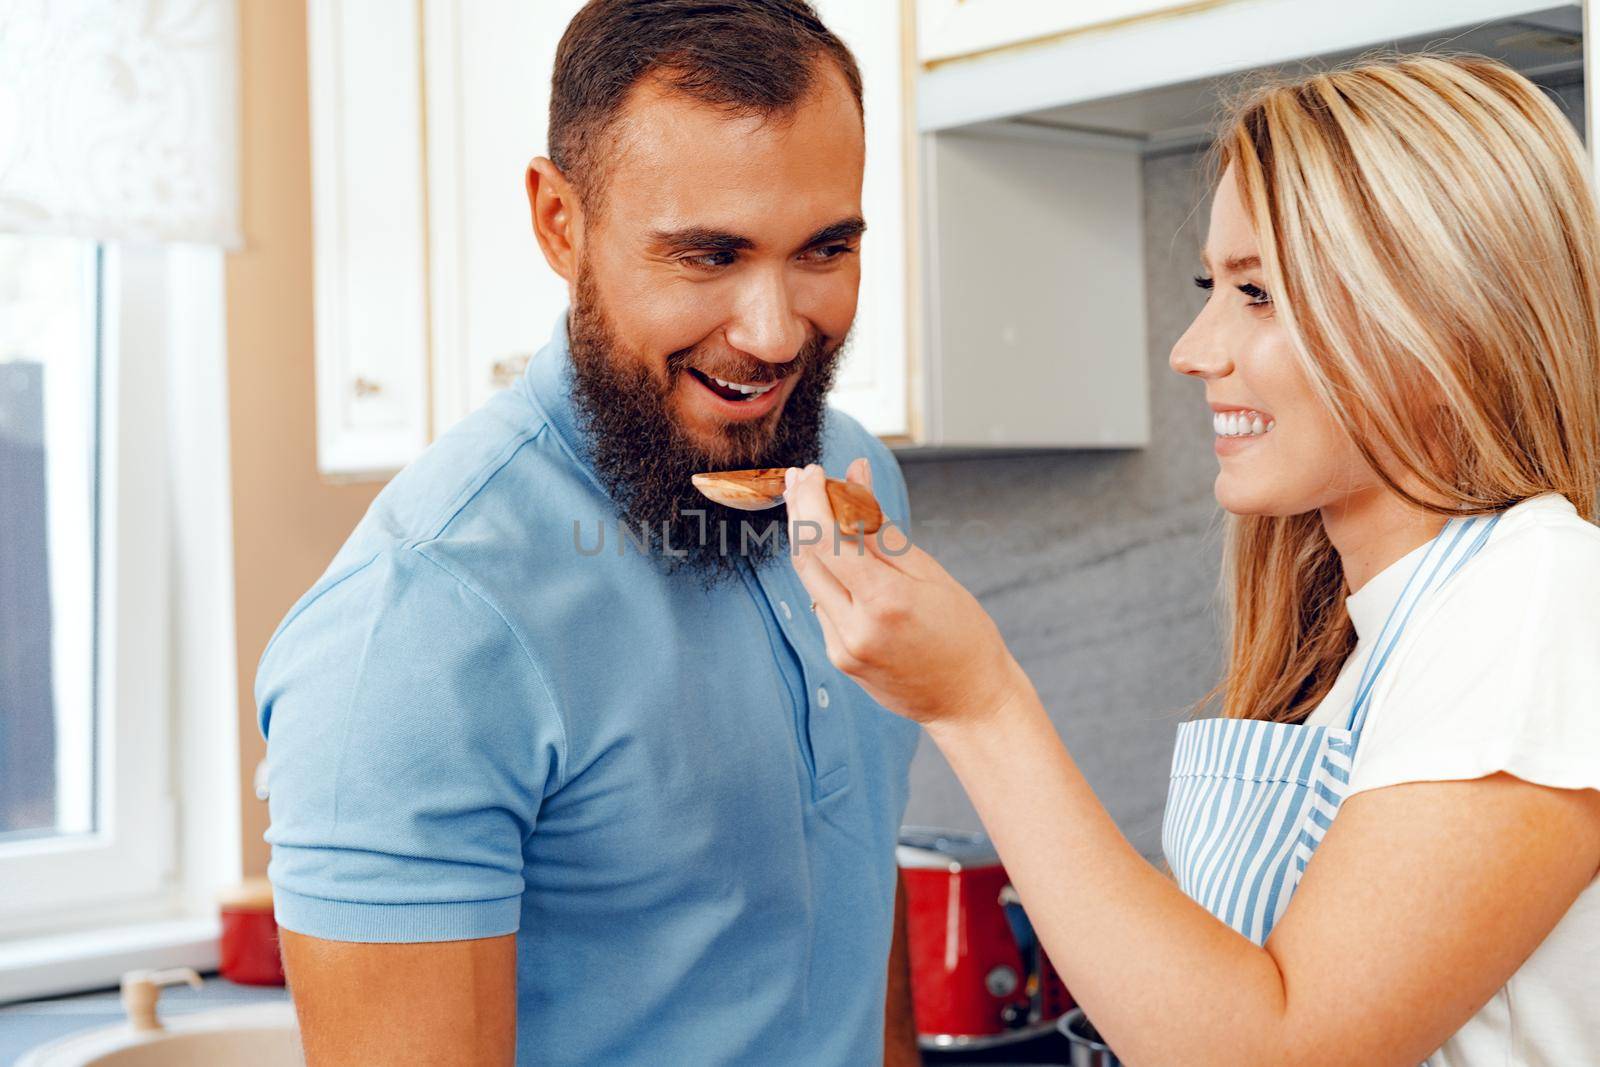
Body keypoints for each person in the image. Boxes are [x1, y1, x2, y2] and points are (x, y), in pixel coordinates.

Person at [784, 54, 1600, 1066]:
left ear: (1442, 322)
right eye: (1212, 285)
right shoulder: (1376, 639)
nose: (1191, 347)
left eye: (1256, 293)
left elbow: (1279, 1047)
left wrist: (977, 702)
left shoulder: (1536, 598)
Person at [256, 2, 921, 1063]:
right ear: (560, 222)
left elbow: (844, 875)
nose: (774, 329)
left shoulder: (850, 480)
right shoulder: (421, 621)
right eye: (709, 255)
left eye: (823, 247)